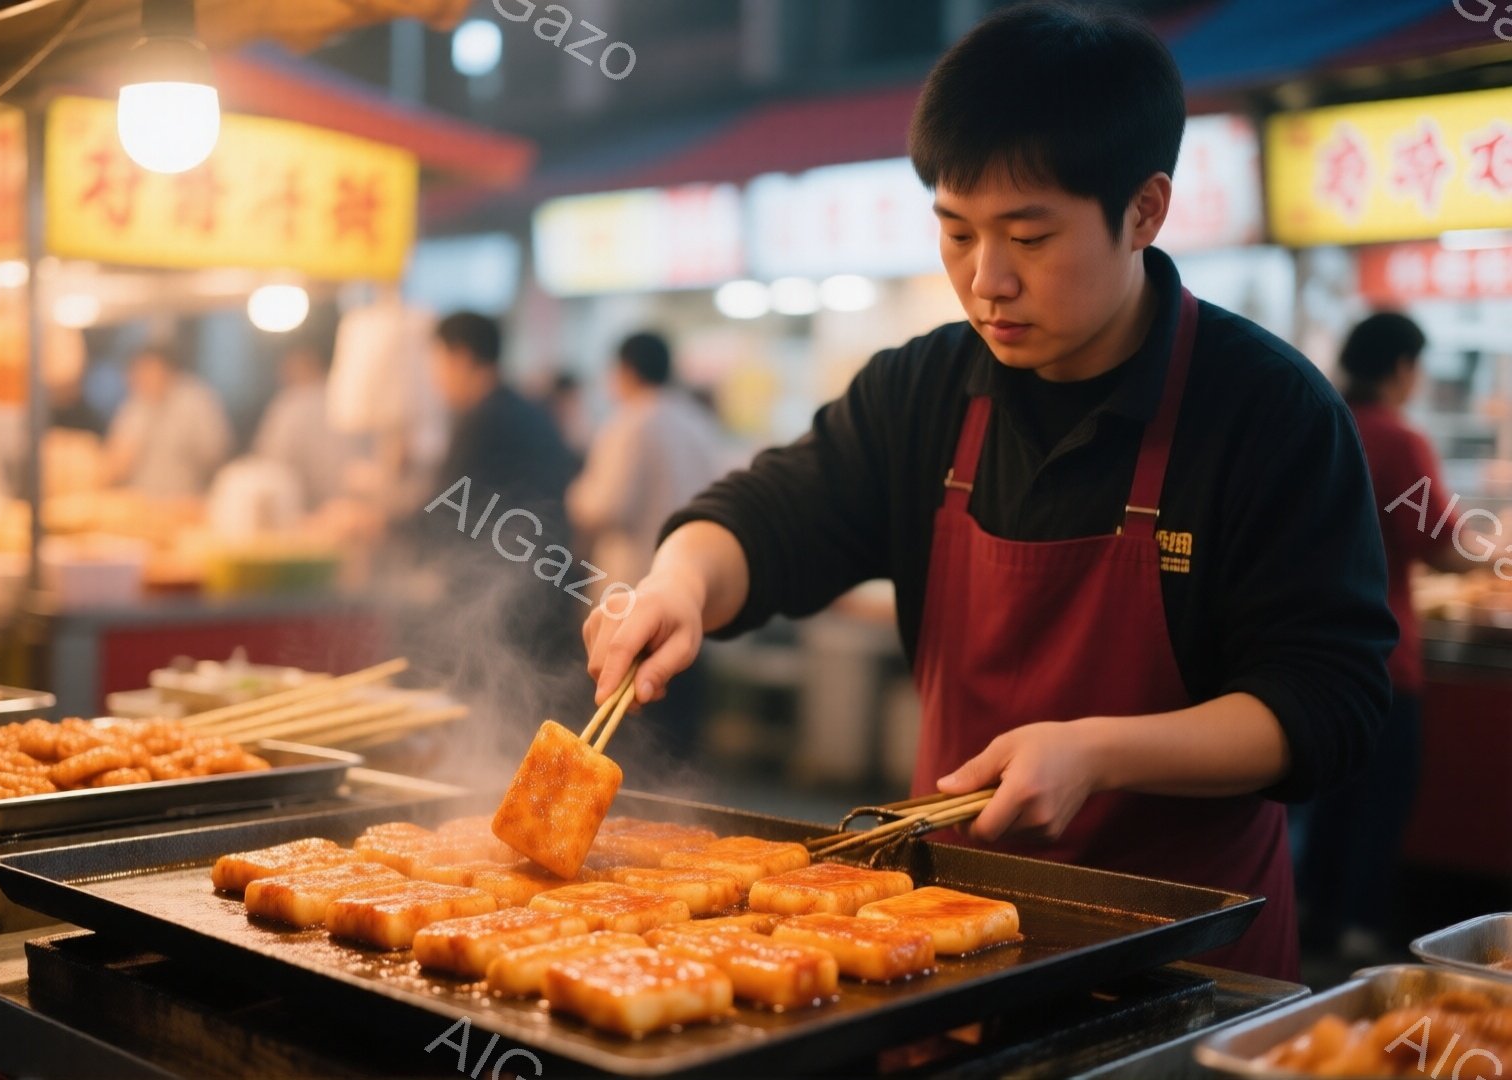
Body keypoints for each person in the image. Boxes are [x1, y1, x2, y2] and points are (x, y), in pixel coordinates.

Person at [581, 4, 1395, 981]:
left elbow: (1330, 701)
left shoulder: (1269, 411)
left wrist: (1100, 753)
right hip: (936, 954)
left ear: (1145, 210)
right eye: (957, 233)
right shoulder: (922, 389)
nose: (986, 280)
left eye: (1029, 236)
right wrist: (678, 583)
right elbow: (768, 515)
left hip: (1184, 961)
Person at [1297, 313, 1492, 960]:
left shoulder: (1318, 420)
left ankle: (1311, 924)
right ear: (1403, 367)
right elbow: (1442, 545)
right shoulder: (1394, 440)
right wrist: (1495, 550)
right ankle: (1361, 936)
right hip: (1383, 659)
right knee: (1379, 805)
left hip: (1310, 654)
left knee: (1330, 802)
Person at [423, 312, 583, 670]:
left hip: (510, 597)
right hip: (552, 583)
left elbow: (445, 508)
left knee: (497, 703)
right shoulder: (532, 410)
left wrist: (378, 524)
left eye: (436, 362)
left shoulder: (482, 419)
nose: (435, 378)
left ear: (461, 357)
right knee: (531, 709)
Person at [568, 332, 730, 586]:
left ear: (627, 370)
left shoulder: (629, 423)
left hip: (635, 571)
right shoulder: (698, 420)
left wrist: (576, 496)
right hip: (689, 568)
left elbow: (606, 507)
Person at [104, 347, 232, 499]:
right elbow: (118, 460)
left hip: (187, 500)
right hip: (141, 500)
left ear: (168, 370)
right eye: (136, 373)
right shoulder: (135, 405)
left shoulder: (196, 401)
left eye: (147, 370)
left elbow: (216, 454)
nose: (140, 378)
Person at [252, 341, 352, 512]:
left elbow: (273, 463)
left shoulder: (291, 405)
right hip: (356, 509)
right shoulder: (349, 398)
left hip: (307, 511)